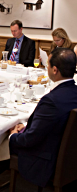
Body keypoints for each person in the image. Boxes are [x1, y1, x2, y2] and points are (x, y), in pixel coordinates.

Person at [9, 48, 77, 188]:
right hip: (71, 157)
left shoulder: (51, 101)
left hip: (47, 159)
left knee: (4, 141)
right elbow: (56, 123)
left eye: (48, 65)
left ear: (55, 70)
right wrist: (29, 126)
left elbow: (30, 139)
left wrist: (13, 137)